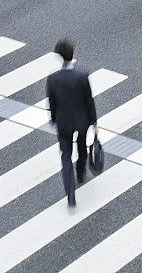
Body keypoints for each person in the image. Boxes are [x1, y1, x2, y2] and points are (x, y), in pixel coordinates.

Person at [46, 40, 98, 208]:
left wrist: (54, 119)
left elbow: (52, 103)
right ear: (73, 55)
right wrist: (94, 121)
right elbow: (89, 101)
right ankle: (81, 174)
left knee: (65, 157)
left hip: (64, 122)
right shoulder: (82, 76)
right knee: (82, 148)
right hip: (81, 120)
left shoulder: (53, 79)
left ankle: (70, 194)